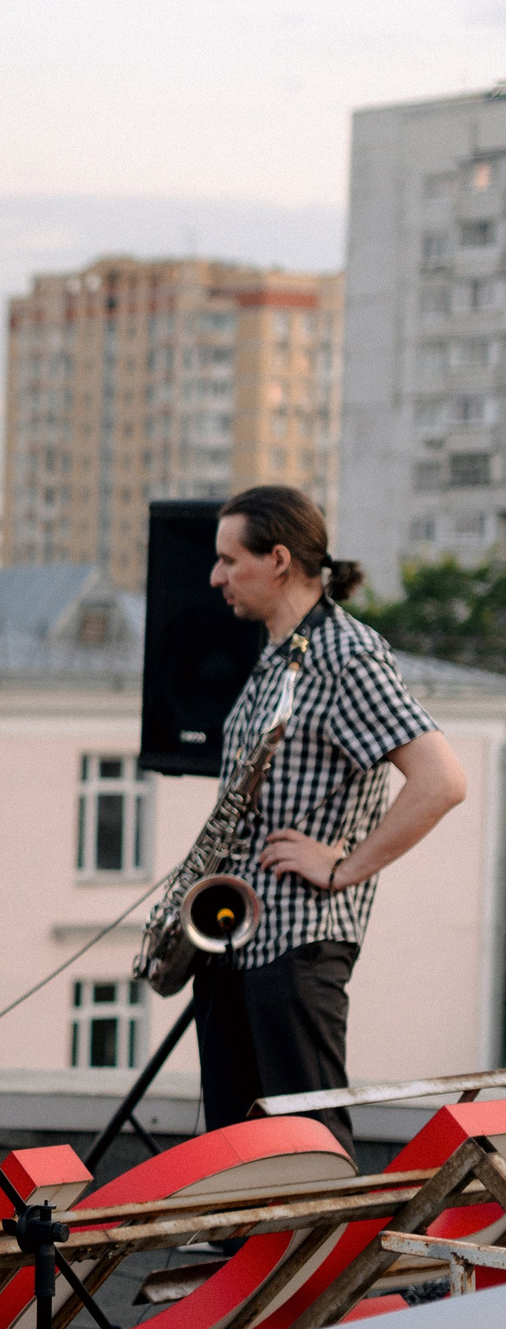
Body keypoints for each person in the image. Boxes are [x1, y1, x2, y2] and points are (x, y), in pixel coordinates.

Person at [187, 485, 463, 1154]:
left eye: (230, 559)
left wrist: (342, 867)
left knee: (307, 1153)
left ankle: (317, 1264)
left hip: (299, 945)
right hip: (240, 939)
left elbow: (442, 780)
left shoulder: (346, 655)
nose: (215, 575)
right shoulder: (279, 651)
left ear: (278, 559)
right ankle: (241, 1259)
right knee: (237, 1156)